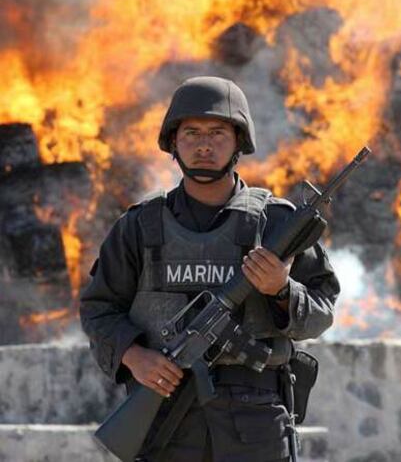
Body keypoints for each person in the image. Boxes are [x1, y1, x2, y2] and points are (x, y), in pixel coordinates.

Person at [80, 76, 340, 462]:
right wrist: (135, 356)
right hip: (166, 423)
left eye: (218, 133)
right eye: (191, 133)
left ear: (239, 142)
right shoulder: (138, 227)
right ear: (173, 142)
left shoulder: (277, 224)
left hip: (254, 425)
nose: (204, 145)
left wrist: (281, 291)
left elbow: (322, 311)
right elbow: (98, 309)